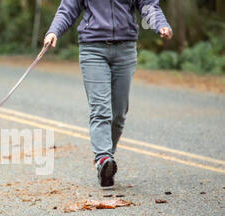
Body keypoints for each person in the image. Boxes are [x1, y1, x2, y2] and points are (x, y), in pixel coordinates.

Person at [44, 0, 173, 187]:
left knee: (118, 114)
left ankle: (106, 161)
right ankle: (103, 159)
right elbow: (69, 8)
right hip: (92, 49)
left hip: (125, 50)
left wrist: (160, 24)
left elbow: (147, 6)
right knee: (100, 109)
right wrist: (53, 31)